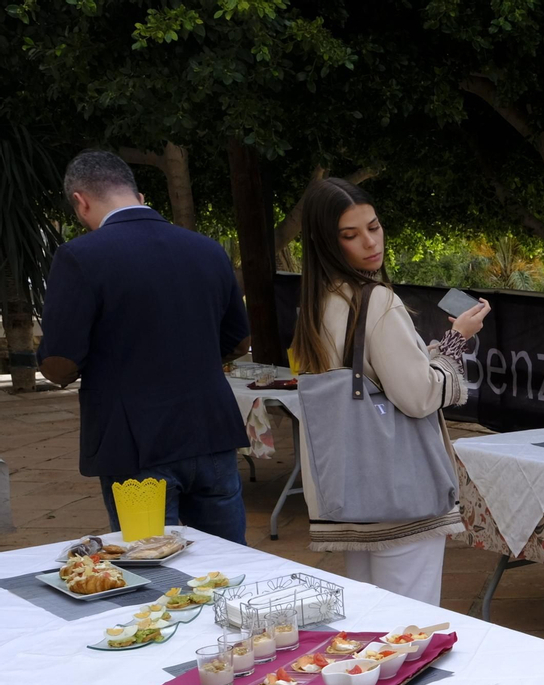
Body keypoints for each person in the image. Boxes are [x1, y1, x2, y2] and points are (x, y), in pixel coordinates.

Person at [289, 178, 489, 605]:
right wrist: (457, 340)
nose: (369, 242)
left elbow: (381, 376)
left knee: (370, 624)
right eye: (350, 234)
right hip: (399, 494)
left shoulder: (318, 301)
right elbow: (417, 395)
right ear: (327, 241)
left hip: (352, 493)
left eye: (374, 227)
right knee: (410, 629)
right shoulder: (374, 300)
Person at [39, 150, 251, 544]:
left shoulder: (80, 256)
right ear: (136, 194)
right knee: (230, 565)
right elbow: (239, 341)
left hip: (134, 443)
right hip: (211, 431)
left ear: (80, 201)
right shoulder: (207, 249)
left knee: (153, 574)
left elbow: (60, 362)